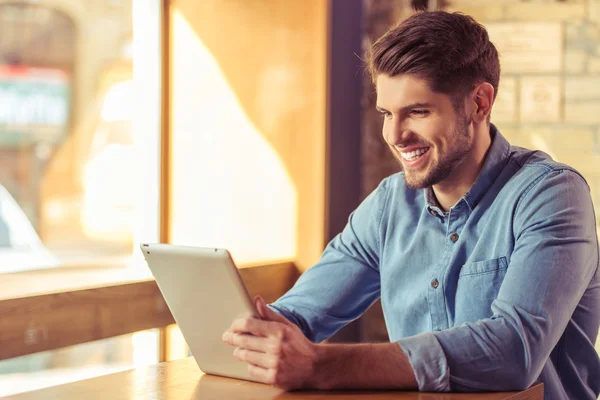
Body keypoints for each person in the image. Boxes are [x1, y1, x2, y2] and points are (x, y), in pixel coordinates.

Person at [221, 11, 600, 399]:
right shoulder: (389, 204)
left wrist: (320, 365)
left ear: (479, 103)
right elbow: (301, 314)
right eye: (387, 113)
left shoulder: (551, 195)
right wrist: (254, 337)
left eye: (417, 112)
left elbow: (513, 351)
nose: (395, 135)